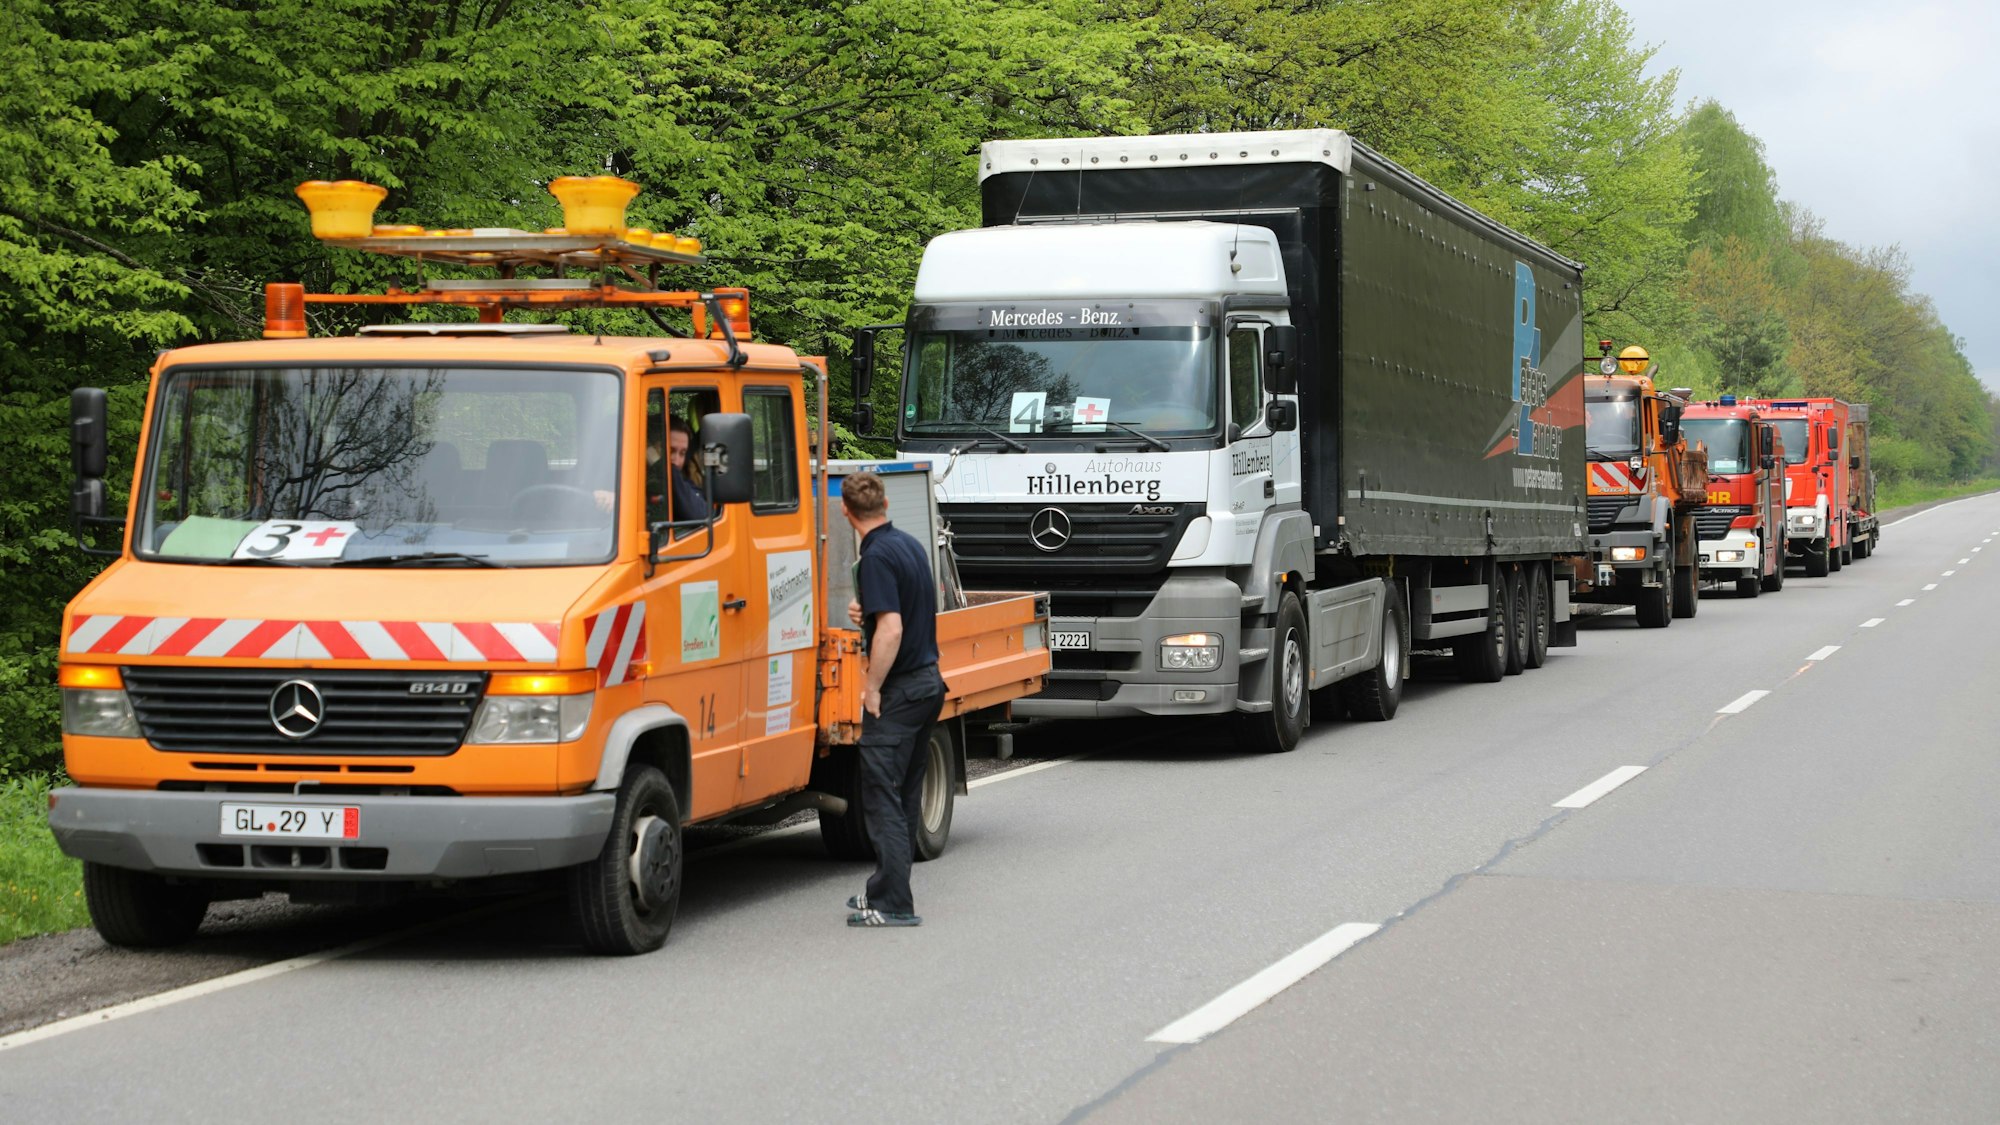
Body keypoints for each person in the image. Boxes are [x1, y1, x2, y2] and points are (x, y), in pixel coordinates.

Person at [840, 471, 944, 928]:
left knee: (881, 796)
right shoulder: (908, 544)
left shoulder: (876, 555)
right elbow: (907, 607)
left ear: (846, 512)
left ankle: (893, 903)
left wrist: (871, 687)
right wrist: (870, 611)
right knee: (903, 796)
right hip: (929, 684)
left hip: (900, 691)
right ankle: (883, 890)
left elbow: (893, 628)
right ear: (884, 504)